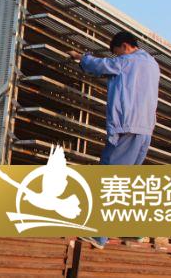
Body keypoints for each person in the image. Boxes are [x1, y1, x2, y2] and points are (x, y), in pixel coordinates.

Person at [67, 30, 160, 249]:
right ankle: (135, 230)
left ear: (125, 46)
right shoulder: (152, 64)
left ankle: (98, 235)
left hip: (126, 128)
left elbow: (101, 66)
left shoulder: (126, 61)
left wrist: (80, 57)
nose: (116, 56)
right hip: (145, 131)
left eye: (116, 52)